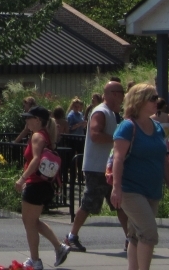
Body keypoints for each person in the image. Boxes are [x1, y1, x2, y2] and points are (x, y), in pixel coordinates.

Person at [110, 84, 169, 270]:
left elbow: (163, 160)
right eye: (153, 98)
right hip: (131, 190)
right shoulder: (127, 127)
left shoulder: (157, 128)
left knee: (135, 235)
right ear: (139, 101)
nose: (157, 102)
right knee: (149, 233)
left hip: (152, 190)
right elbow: (118, 158)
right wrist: (116, 187)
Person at [65, 81, 129, 252]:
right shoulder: (101, 111)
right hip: (97, 168)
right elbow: (94, 135)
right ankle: (71, 237)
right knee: (89, 203)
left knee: (120, 204)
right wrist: (118, 139)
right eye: (121, 93)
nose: (123, 97)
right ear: (114, 93)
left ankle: (131, 238)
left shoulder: (112, 113)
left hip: (108, 168)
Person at [14, 107, 70, 270]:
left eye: (29, 118)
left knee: (29, 223)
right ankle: (59, 247)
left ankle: (35, 260)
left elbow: (36, 160)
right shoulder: (45, 135)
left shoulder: (38, 136)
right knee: (33, 221)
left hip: (35, 184)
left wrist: (22, 178)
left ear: (37, 120)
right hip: (44, 185)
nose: (26, 121)